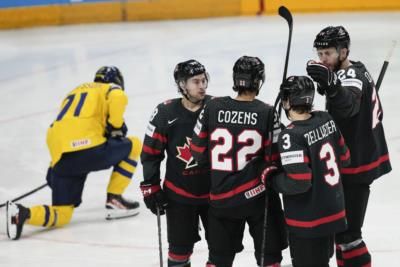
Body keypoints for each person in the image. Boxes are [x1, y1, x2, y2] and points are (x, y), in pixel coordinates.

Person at [6, 66, 142, 240]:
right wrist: (116, 128)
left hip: (62, 159)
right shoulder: (110, 88)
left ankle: (21, 214)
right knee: (135, 144)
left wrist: (54, 167)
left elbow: (66, 131)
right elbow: (118, 96)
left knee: (62, 214)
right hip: (89, 148)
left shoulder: (73, 93)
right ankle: (114, 199)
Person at [306, 26, 392, 266]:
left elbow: (350, 106)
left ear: (343, 52)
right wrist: (331, 84)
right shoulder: (355, 69)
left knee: (349, 236)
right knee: (342, 233)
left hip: (357, 164)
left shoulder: (350, 76)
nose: (323, 59)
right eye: (320, 54)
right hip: (360, 156)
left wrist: (332, 84)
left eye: (328, 54)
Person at [190, 56, 287, 267]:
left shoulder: (212, 107)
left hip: (221, 199)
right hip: (259, 199)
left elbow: (197, 152)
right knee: (269, 258)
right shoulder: (267, 112)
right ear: (258, 81)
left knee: (218, 259)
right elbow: (275, 159)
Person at [264, 76, 350, 266]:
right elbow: (345, 158)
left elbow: (299, 182)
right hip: (333, 211)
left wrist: (271, 178)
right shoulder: (326, 118)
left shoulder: (291, 135)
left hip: (309, 219)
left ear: (287, 101)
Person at [140, 59, 211, 267]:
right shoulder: (165, 113)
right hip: (179, 195)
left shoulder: (216, 107)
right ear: (182, 85)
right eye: (196, 81)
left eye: (204, 80)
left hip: (214, 194)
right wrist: (151, 187)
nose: (202, 86)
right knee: (179, 253)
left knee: (220, 251)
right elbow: (150, 153)